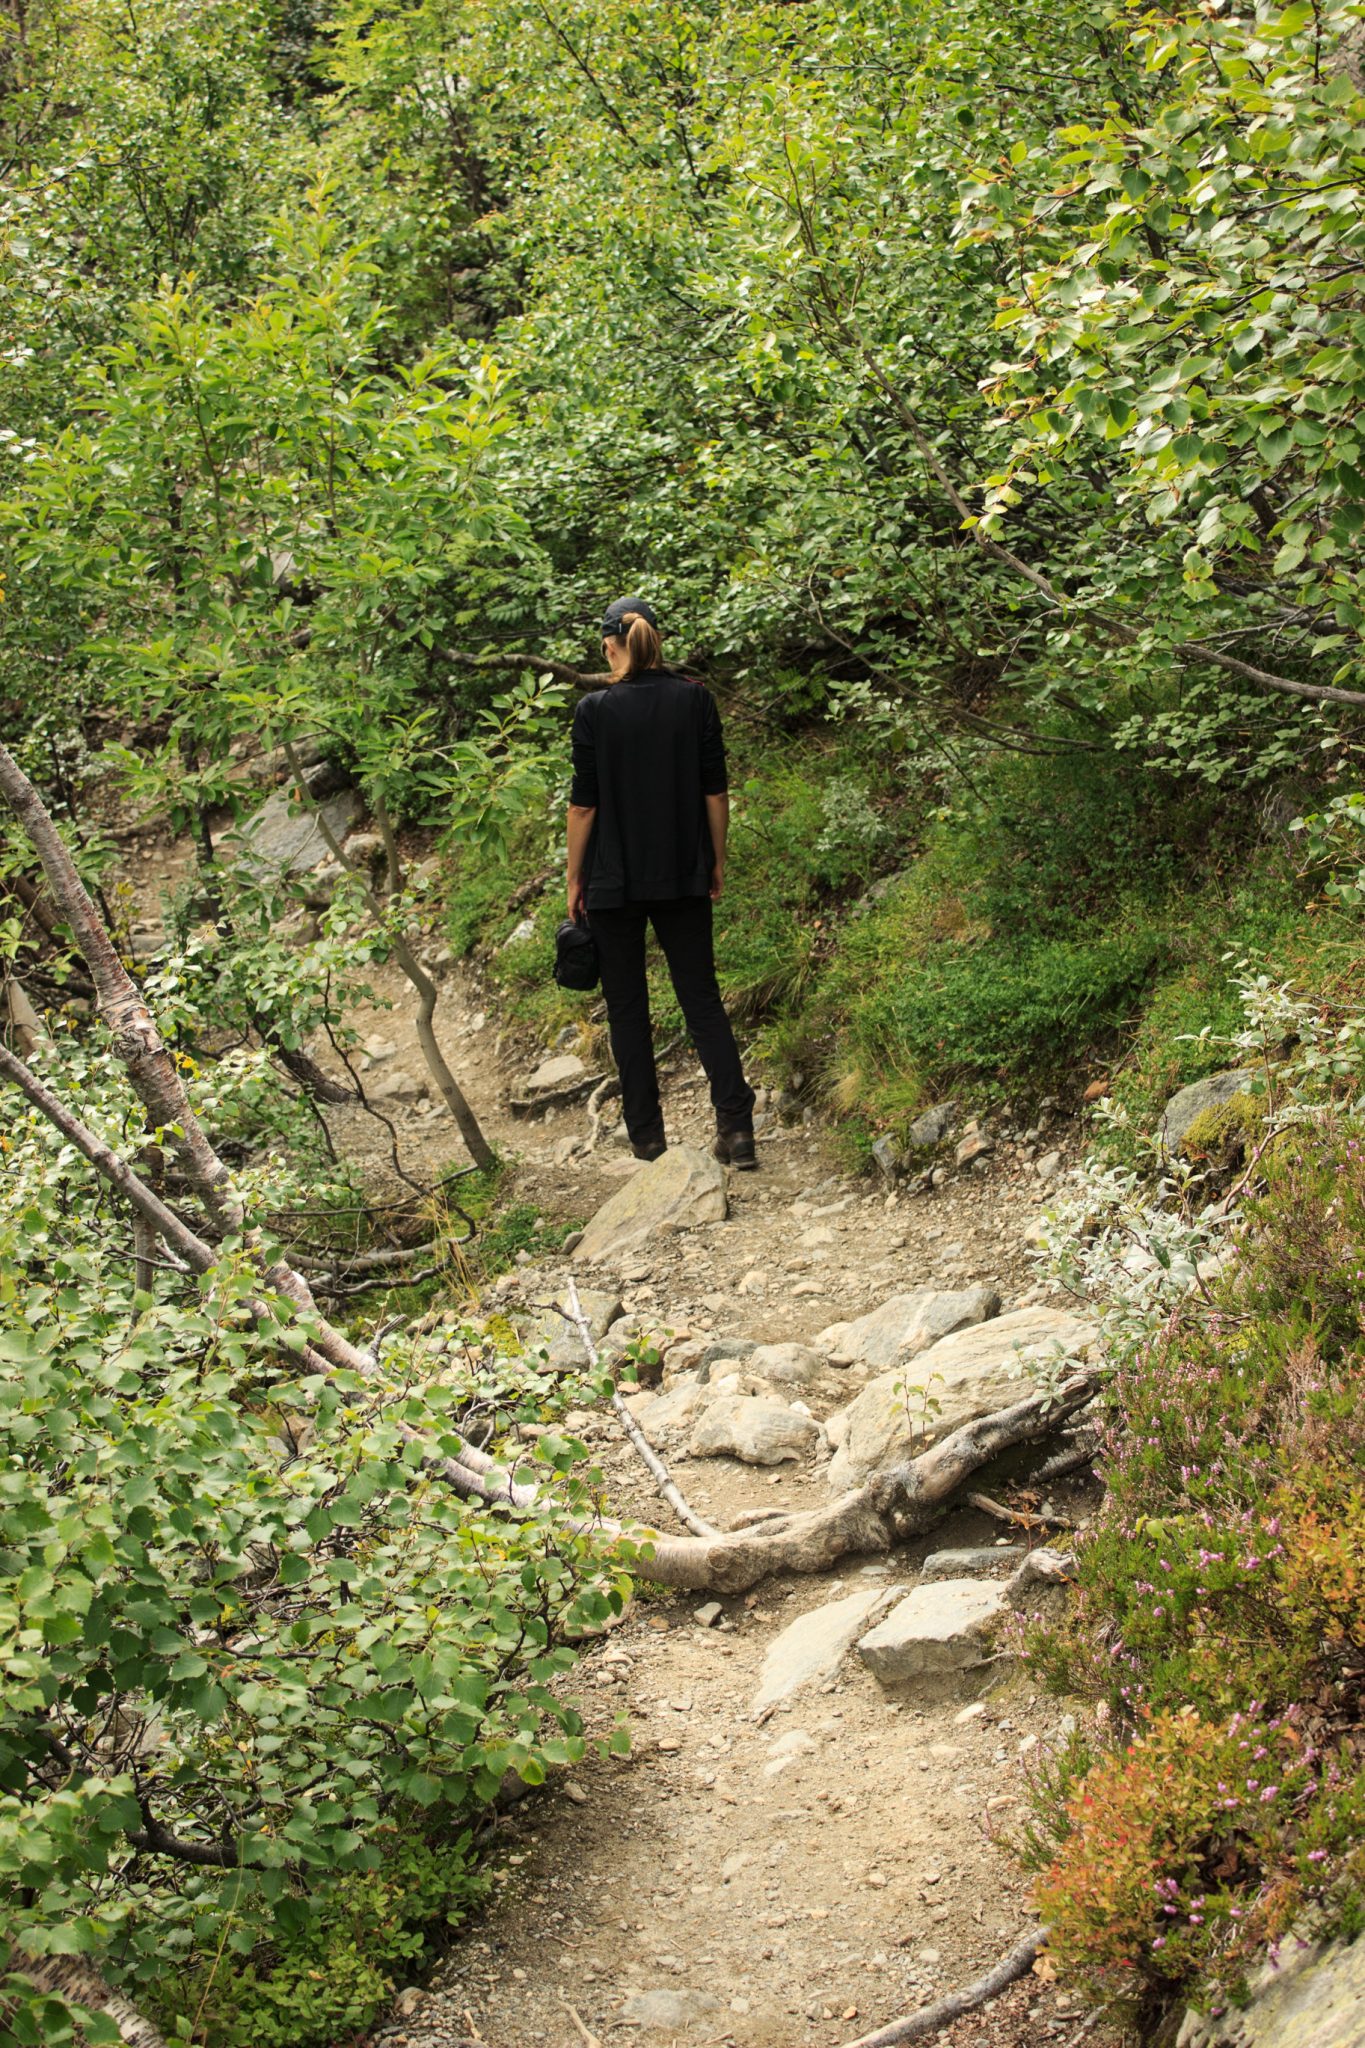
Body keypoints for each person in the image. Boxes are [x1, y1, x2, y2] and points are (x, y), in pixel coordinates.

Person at [566, 596, 757, 1169]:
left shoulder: (594, 710)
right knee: (700, 997)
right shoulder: (695, 699)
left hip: (612, 881)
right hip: (683, 874)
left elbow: (583, 808)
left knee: (627, 1009)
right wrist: (715, 860)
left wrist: (575, 877)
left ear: (609, 645)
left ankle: (648, 1140)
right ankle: (736, 1130)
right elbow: (715, 792)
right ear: (655, 642)